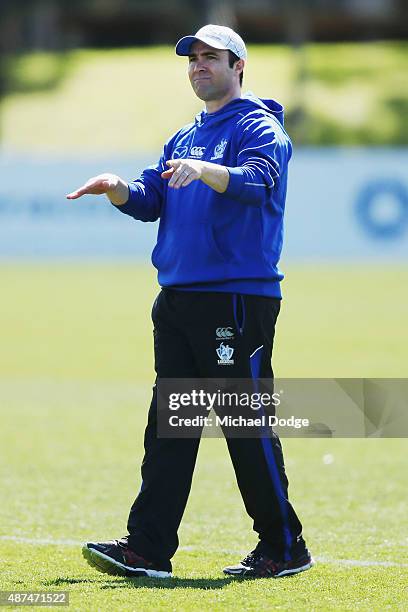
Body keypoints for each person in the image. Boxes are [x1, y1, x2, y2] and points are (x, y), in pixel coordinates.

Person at [67, 24, 314, 580]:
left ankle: (284, 546)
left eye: (212, 58)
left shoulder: (260, 126)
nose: (199, 66)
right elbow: (154, 196)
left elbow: (258, 183)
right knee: (169, 429)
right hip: (178, 298)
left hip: (235, 299)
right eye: (193, 58)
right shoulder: (184, 136)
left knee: (245, 426)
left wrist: (206, 171)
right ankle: (148, 549)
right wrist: (119, 188)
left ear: (239, 66)